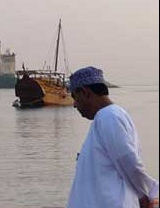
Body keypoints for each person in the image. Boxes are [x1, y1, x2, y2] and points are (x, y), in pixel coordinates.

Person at [66, 66, 159, 208]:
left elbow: (128, 160)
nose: (74, 105)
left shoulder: (109, 117)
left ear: (85, 92)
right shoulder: (106, 117)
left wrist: (145, 194)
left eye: (75, 97)